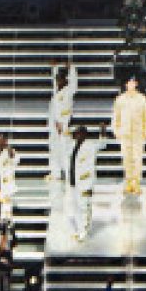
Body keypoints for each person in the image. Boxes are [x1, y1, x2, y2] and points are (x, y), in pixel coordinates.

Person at [68, 124, 110, 243]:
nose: (77, 135)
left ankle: (84, 232)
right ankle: (79, 230)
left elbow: (103, 144)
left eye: (80, 133)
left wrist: (102, 131)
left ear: (85, 134)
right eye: (76, 133)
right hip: (74, 182)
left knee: (84, 207)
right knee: (76, 207)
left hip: (85, 182)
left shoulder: (90, 145)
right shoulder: (72, 146)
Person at [112, 75, 146, 196]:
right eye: (129, 82)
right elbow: (116, 117)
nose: (131, 84)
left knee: (137, 158)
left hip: (138, 133)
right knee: (127, 158)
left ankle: (136, 183)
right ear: (126, 84)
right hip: (125, 133)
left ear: (136, 83)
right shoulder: (120, 99)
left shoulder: (142, 99)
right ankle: (128, 182)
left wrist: (145, 131)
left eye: (133, 82)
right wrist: (116, 131)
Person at [47, 60, 78, 188]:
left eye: (60, 79)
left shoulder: (68, 91)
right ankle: (56, 173)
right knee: (54, 149)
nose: (58, 82)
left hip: (63, 125)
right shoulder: (57, 91)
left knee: (65, 149)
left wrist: (71, 69)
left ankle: (67, 172)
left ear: (65, 80)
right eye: (57, 79)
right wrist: (54, 68)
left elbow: (74, 82)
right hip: (54, 125)